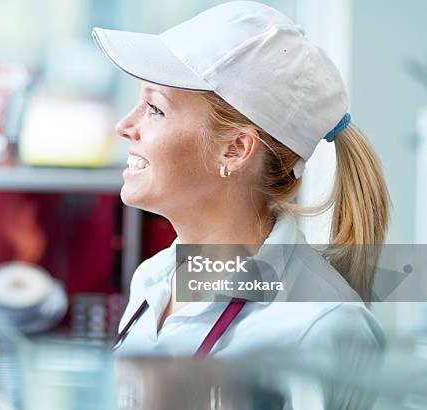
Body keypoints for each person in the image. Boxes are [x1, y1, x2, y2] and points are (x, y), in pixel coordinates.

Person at [92, 1, 391, 408]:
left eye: (155, 108)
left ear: (235, 149)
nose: (125, 126)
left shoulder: (319, 325)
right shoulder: (153, 280)